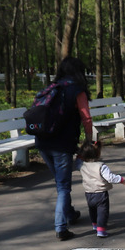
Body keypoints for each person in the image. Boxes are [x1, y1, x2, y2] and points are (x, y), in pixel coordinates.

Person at [36, 56, 95, 240]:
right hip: (62, 145)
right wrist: (89, 141)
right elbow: (86, 118)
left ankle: (69, 213)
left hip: (42, 142)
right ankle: (61, 227)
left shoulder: (52, 88)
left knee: (60, 182)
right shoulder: (77, 90)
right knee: (63, 186)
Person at [75, 140, 125, 238]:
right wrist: (121, 180)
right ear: (98, 153)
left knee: (92, 210)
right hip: (101, 194)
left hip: (88, 193)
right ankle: (101, 229)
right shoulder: (101, 166)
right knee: (102, 212)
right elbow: (110, 177)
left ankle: (95, 224)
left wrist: (79, 155)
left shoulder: (81, 165)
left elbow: (77, 162)